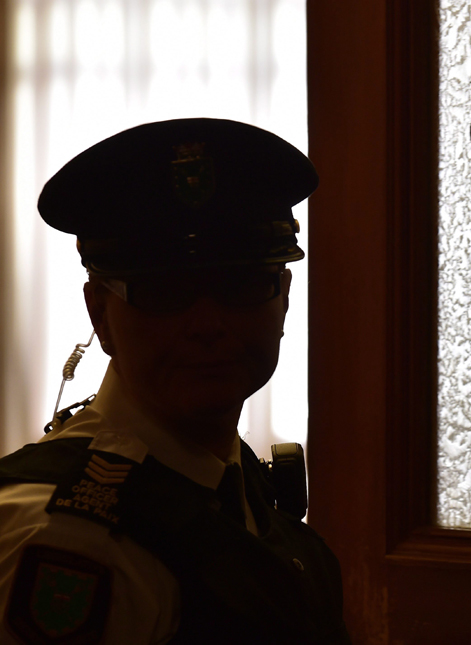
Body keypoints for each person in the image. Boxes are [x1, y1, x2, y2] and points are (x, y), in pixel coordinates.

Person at [0, 118, 350, 644]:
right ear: (100, 315)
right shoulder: (71, 543)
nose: (208, 325)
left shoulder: (232, 480)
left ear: (283, 299)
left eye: (242, 284)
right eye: (165, 293)